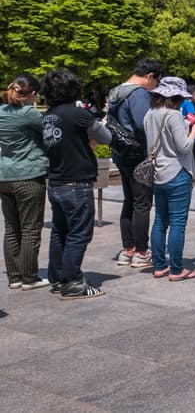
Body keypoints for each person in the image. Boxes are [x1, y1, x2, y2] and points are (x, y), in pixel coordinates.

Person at [41, 69, 112, 299]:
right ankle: (72, 282)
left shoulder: (47, 116)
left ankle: (58, 277)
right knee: (79, 234)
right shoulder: (78, 114)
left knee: (59, 232)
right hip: (76, 183)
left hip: (56, 181)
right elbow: (106, 138)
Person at [145, 76, 195, 281]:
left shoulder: (150, 114)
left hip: (158, 172)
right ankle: (177, 269)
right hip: (177, 172)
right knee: (178, 223)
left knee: (160, 220)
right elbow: (184, 147)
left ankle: (160, 265)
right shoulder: (173, 115)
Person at [107, 58, 163, 268]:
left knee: (129, 200)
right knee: (142, 202)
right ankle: (141, 251)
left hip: (120, 152)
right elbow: (144, 123)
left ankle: (127, 249)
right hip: (137, 153)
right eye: (156, 82)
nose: (155, 87)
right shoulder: (138, 93)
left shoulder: (116, 91)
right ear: (149, 76)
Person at [0, 74, 49, 291]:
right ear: (32, 94)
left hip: (4, 175)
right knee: (30, 228)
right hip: (28, 175)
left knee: (11, 228)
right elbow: (49, 133)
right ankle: (30, 277)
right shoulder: (29, 114)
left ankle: (14, 277)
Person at [180, 81, 195, 180]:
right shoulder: (188, 104)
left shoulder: (179, 103)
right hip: (193, 137)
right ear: (193, 93)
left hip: (181, 136)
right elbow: (192, 119)